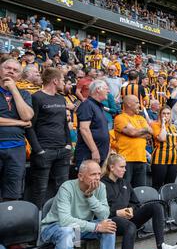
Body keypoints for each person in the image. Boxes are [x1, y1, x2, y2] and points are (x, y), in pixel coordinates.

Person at [101, 154, 177, 249]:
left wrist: (131, 209)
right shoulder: (102, 184)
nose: (125, 170)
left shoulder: (125, 182)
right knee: (131, 226)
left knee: (156, 206)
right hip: (111, 218)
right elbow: (99, 209)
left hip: (127, 217)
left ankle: (161, 247)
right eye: (121, 167)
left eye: (125, 167)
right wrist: (116, 212)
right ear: (111, 167)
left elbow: (135, 203)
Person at [40, 160, 116, 249]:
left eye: (99, 174)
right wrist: (96, 227)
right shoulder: (67, 187)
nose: (97, 178)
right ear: (80, 176)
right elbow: (65, 221)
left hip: (78, 229)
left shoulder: (101, 187)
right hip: (54, 227)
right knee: (67, 232)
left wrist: (90, 196)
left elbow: (104, 215)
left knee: (109, 226)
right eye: (93, 174)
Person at [27, 68, 71, 209]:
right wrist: (38, 150)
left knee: (62, 190)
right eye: (63, 80)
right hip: (44, 151)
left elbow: (64, 124)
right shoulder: (36, 97)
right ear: (55, 81)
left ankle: (59, 221)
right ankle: (37, 225)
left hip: (62, 151)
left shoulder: (61, 98)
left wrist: (68, 145)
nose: (64, 83)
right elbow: (29, 126)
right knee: (39, 190)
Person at [0, 59, 34, 201]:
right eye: (8, 68)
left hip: (16, 149)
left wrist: (14, 89)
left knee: (13, 193)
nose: (11, 71)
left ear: (20, 76)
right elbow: (24, 120)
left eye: (15, 70)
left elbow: (27, 116)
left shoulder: (24, 94)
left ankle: (8, 222)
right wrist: (19, 122)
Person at [114, 95, 152, 187]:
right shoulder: (120, 118)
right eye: (137, 102)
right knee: (125, 189)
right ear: (129, 104)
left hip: (141, 159)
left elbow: (150, 134)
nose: (139, 105)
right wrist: (142, 131)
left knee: (140, 190)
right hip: (125, 160)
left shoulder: (141, 118)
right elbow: (132, 132)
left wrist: (137, 132)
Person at [74, 80, 110, 169]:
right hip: (88, 155)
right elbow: (84, 129)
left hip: (99, 154)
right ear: (98, 89)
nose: (108, 91)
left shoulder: (98, 106)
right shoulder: (87, 105)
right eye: (106, 89)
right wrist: (94, 151)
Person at [150, 106, 177, 190]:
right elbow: (162, 138)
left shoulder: (173, 127)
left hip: (174, 159)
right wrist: (163, 124)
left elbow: (176, 143)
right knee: (158, 185)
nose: (166, 115)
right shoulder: (155, 125)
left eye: (168, 113)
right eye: (163, 113)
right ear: (160, 115)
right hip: (160, 158)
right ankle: (158, 202)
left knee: (170, 185)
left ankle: (168, 202)